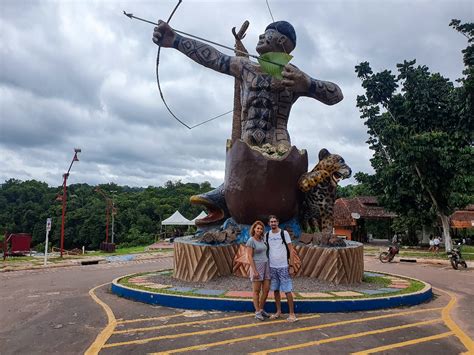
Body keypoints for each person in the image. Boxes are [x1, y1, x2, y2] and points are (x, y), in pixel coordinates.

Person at [153, 20, 343, 150]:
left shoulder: (293, 76)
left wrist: (308, 84)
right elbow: (213, 58)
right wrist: (175, 40)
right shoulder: (244, 67)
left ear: (282, 41)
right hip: (246, 143)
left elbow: (337, 95)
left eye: (268, 34)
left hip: (278, 144)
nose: (260, 36)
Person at [265, 215, 297, 322]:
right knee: (276, 290)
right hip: (272, 266)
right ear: (269, 223)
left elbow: (291, 250)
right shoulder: (267, 235)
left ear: (278, 222)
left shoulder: (284, 233)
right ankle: (278, 311)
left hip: (283, 266)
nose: (273, 223)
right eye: (271, 222)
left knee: (287, 290)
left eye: (275, 221)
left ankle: (292, 313)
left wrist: (291, 265)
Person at [246, 220, 271, 321]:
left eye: (261, 229)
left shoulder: (262, 240)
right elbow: (249, 256)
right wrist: (254, 270)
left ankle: (261, 309)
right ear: (254, 229)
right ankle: (257, 311)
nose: (259, 230)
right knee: (256, 291)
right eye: (258, 228)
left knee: (266, 289)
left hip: (266, 265)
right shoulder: (251, 240)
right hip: (257, 266)